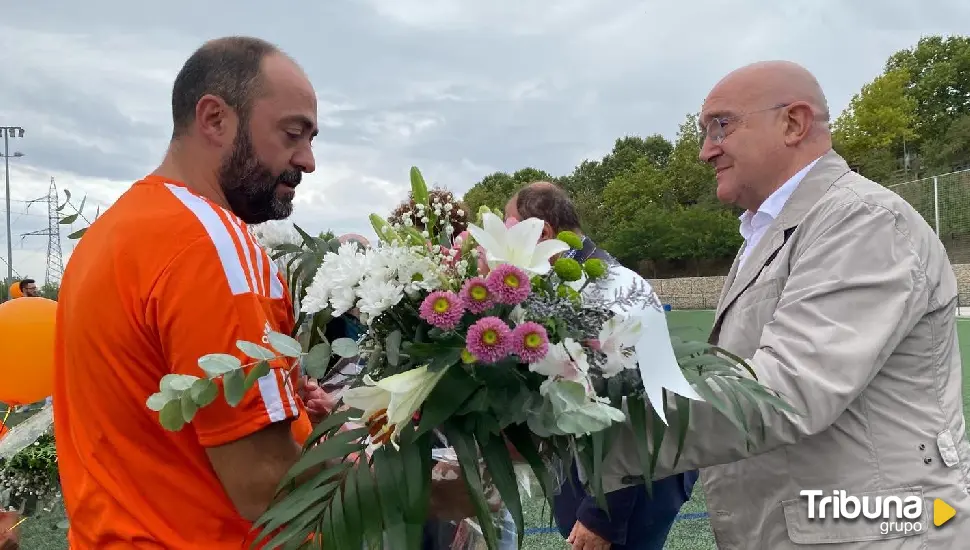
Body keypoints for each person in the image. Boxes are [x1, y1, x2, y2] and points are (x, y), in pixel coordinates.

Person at [600, 60, 970, 549]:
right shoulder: (774, 229)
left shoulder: (862, 220)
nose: (704, 150)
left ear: (793, 123)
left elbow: (783, 392)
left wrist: (587, 434)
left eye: (720, 125)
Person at [52, 37, 331, 549]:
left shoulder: (115, 230)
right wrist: (428, 484)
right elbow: (263, 486)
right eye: (293, 134)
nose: (308, 160)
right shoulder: (209, 244)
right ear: (214, 119)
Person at [505, 182, 699, 550]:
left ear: (542, 232)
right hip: (609, 479)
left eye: (510, 228)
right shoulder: (572, 283)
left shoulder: (607, 291)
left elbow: (630, 409)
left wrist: (602, 515)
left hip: (631, 492)